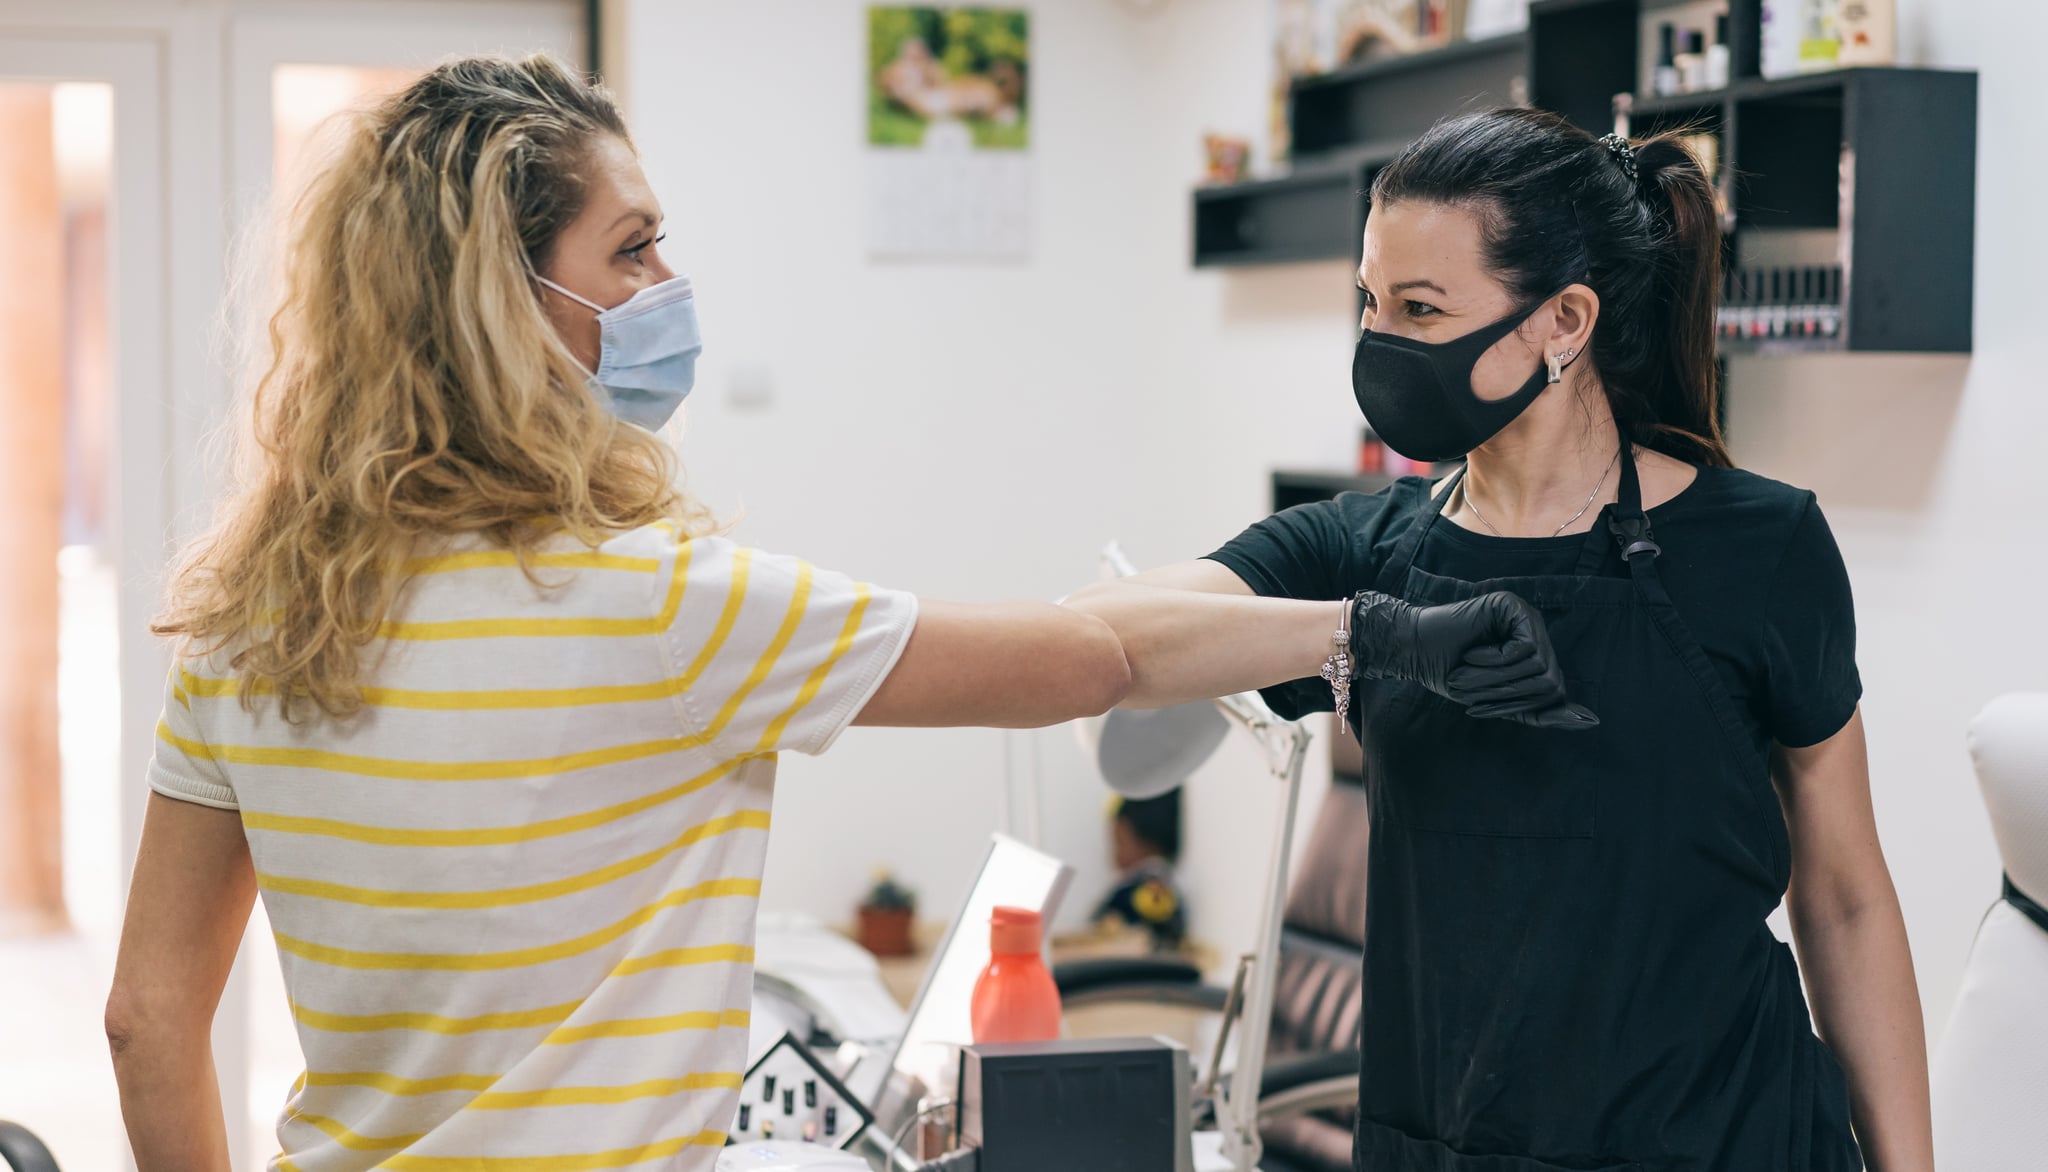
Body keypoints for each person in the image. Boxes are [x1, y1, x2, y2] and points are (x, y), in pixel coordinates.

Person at [102, 55, 1129, 1172]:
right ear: (507, 300)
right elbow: (1082, 661)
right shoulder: (662, 602)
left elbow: (145, 1019)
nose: (668, 279)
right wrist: (1330, 610)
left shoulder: (249, 625)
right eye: (632, 247)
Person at [1066, 108, 1930, 1170]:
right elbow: (1103, 639)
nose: (1379, 342)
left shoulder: (1757, 544)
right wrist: (1360, 629)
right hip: (1452, 1141)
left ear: (1562, 319)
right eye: (1370, 303)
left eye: (1420, 308)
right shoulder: (1364, 549)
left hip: (1724, 1138)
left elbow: (1842, 897)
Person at [1093, 790, 1188, 951]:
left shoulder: (1148, 887)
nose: (1114, 855)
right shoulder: (1135, 884)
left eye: (1119, 843)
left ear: (1149, 843)